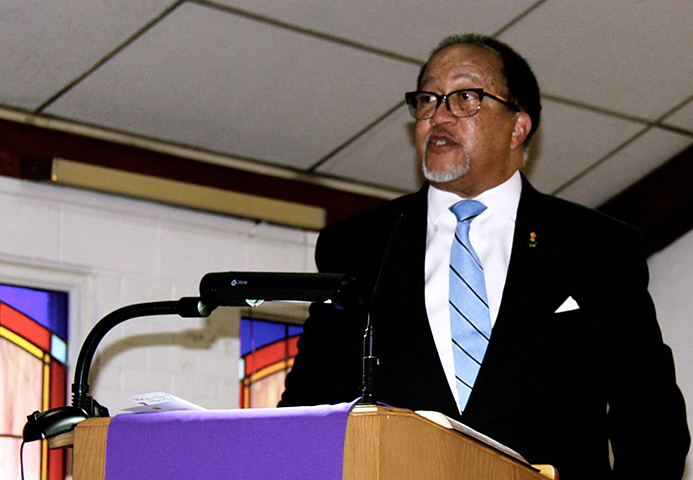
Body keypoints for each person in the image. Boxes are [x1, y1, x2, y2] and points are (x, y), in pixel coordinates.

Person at [278, 33, 689, 479]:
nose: (439, 115)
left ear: (518, 127)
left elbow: (651, 419)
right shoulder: (361, 246)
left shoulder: (594, 247)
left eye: (465, 98)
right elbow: (309, 407)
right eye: (428, 99)